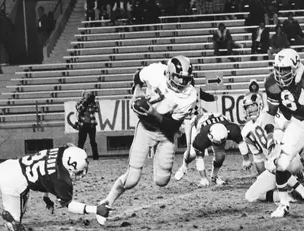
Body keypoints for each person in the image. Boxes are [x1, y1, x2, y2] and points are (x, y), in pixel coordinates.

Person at [97, 55, 199, 218]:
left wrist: (154, 113)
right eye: (177, 77)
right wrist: (136, 90)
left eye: (184, 79)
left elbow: (172, 126)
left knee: (161, 181)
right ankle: (108, 200)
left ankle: (157, 159)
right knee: (131, 179)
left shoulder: (190, 95)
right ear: (168, 73)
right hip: (146, 129)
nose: (180, 82)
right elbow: (138, 76)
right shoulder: (156, 72)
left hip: (166, 133)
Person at [262, 48, 304, 218]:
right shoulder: (272, 84)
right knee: (280, 163)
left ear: (296, 66)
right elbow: (269, 114)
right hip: (297, 124)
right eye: (278, 68)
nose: (281, 73)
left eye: (285, 69)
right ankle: (283, 205)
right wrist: (270, 137)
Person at [241, 90, 304, 204]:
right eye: (247, 107)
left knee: (275, 162)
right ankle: (291, 195)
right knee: (250, 196)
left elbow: (289, 127)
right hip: (273, 165)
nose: (250, 109)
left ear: (260, 104)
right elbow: (258, 158)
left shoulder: (269, 115)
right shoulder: (245, 131)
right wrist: (267, 179)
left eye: (253, 105)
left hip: (289, 157)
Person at [175, 112, 251, 186]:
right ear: (210, 136)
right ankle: (184, 167)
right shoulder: (201, 137)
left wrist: (246, 159)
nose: (219, 145)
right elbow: (199, 158)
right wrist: (203, 178)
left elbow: (241, 143)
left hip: (217, 125)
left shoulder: (233, 129)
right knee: (192, 155)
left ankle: (214, 176)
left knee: (220, 156)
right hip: (198, 123)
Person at [76, 90, 99, 160]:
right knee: (81, 142)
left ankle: (95, 156)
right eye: (86, 95)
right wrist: (85, 103)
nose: (88, 96)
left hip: (91, 124)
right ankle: (78, 157)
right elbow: (79, 109)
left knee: (93, 141)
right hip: (83, 124)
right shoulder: (80, 102)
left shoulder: (92, 103)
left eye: (88, 95)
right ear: (83, 96)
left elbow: (97, 109)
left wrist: (92, 102)